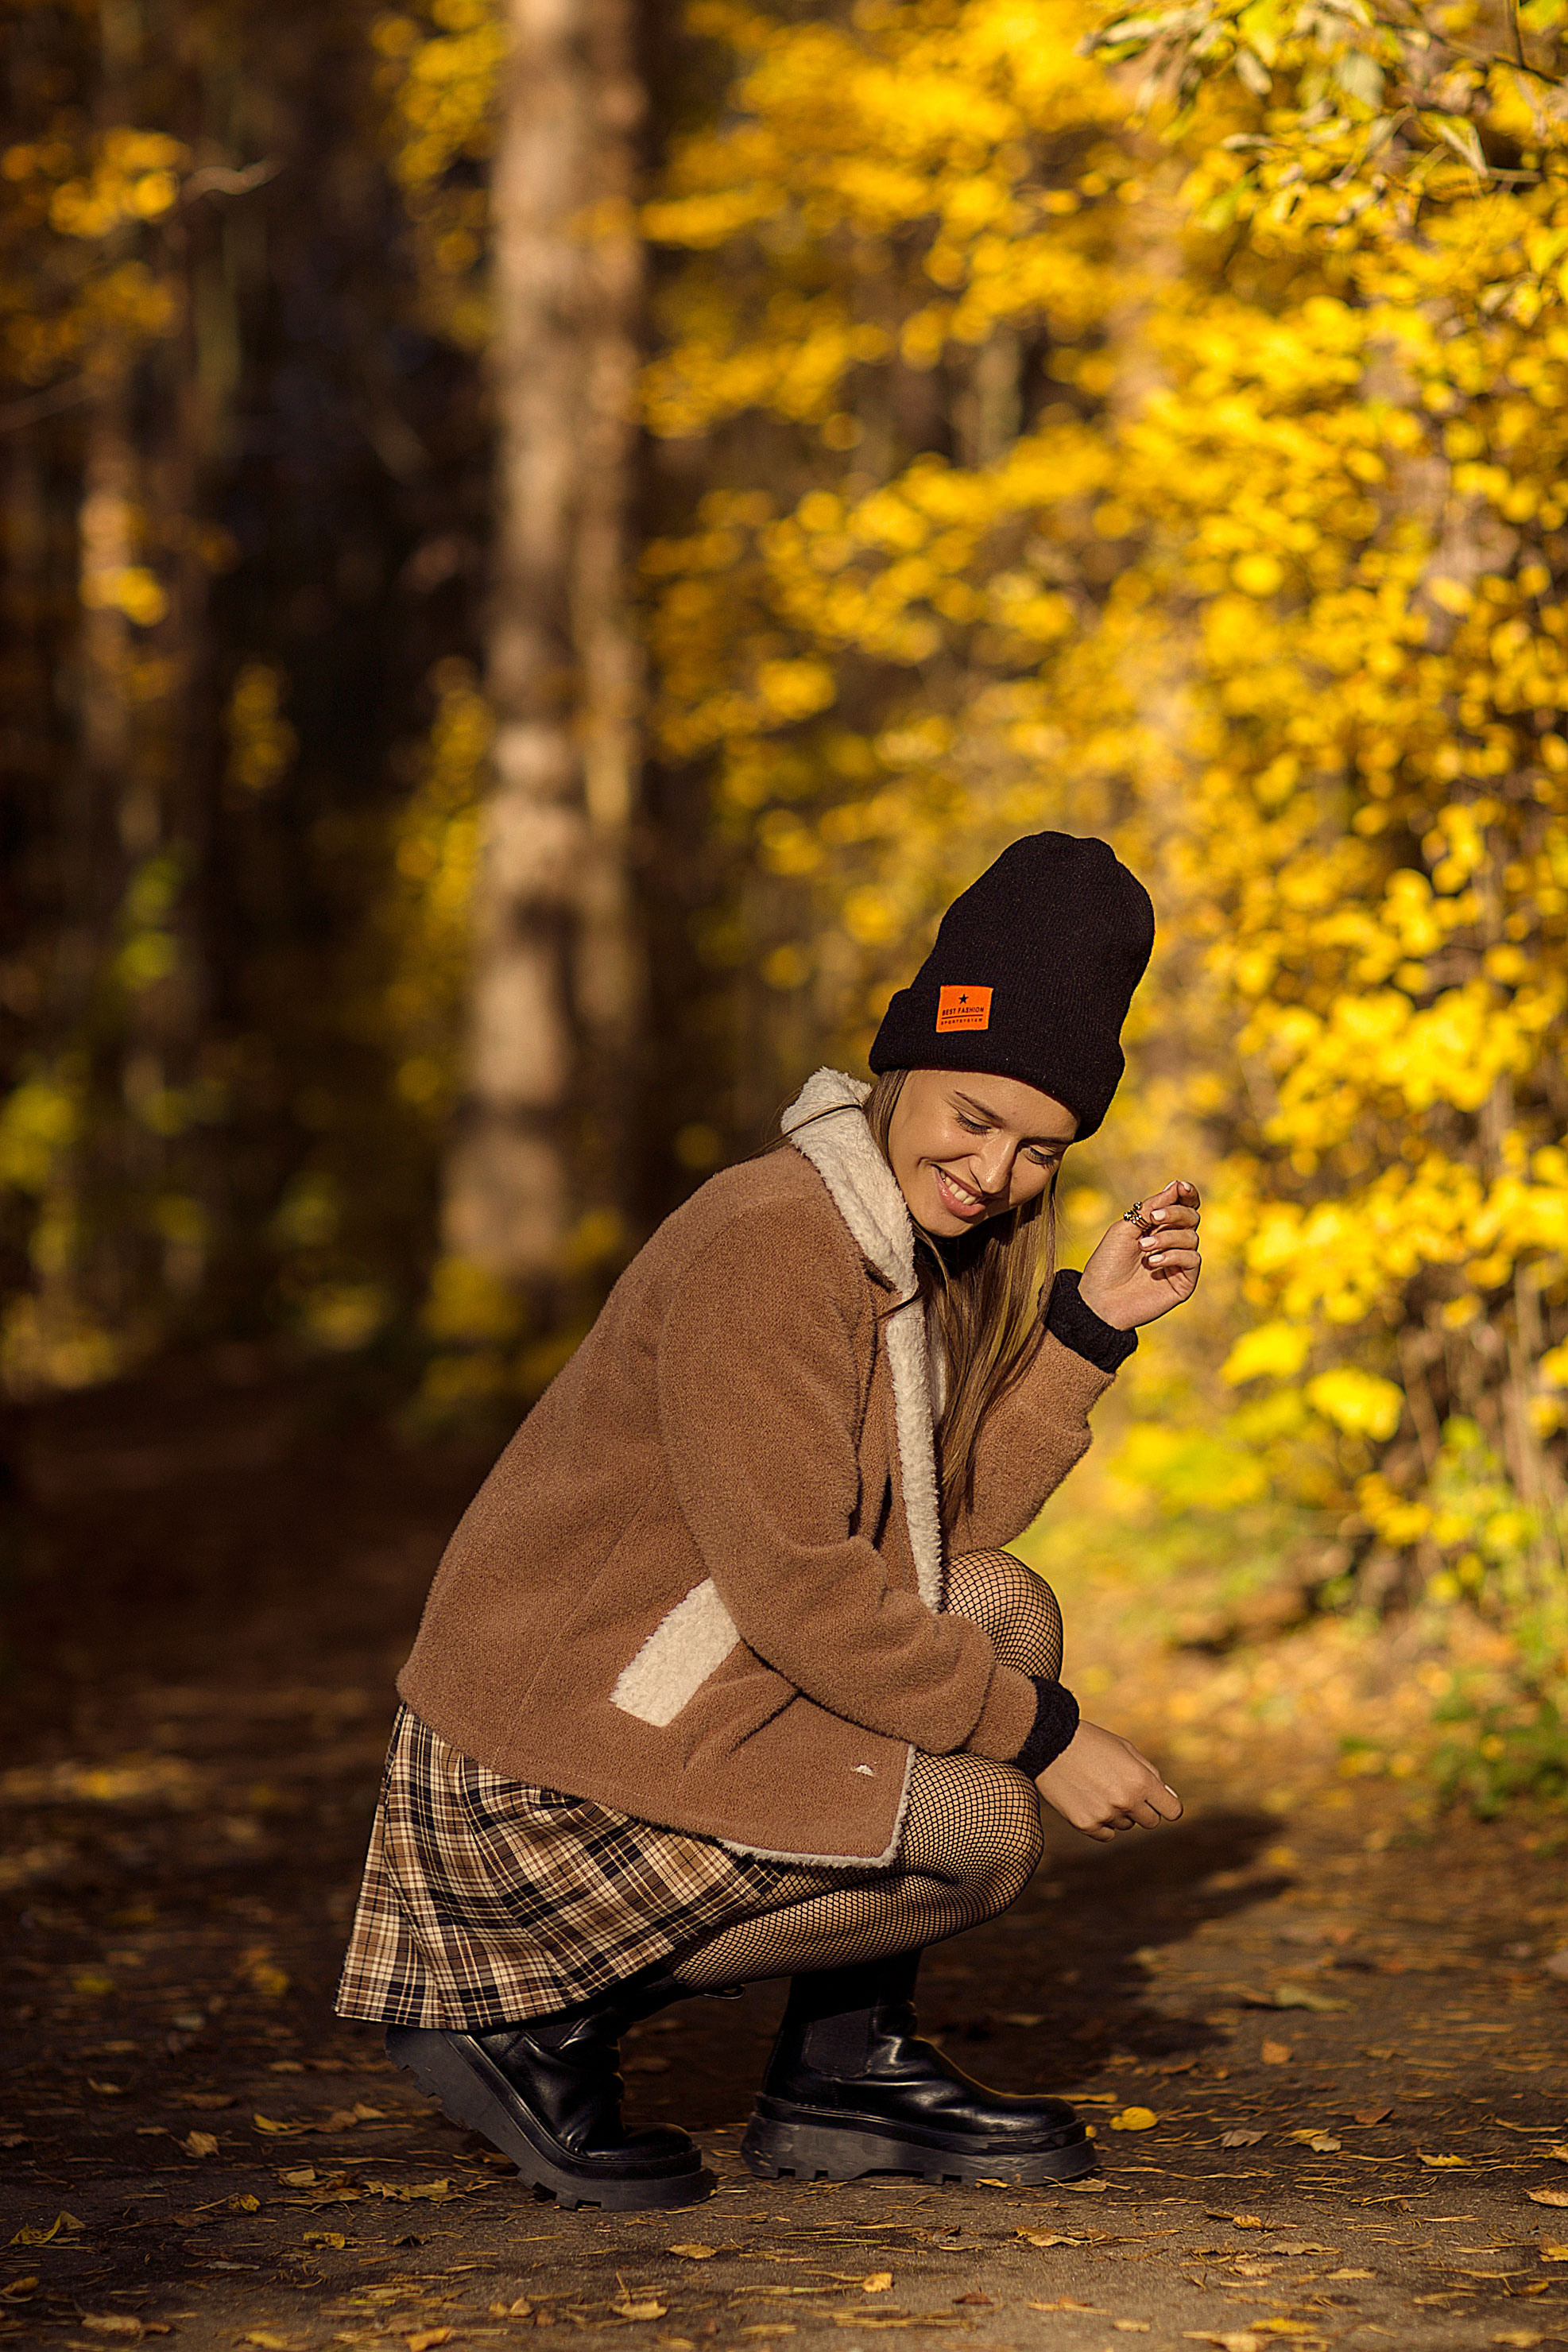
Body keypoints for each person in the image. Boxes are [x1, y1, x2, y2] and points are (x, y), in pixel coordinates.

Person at [337, 831, 1201, 2212]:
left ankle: (841, 2076)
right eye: (971, 1119)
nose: (992, 1174)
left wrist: (1086, 1332)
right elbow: (811, 1591)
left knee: (998, 1604)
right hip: (557, 1733)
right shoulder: (774, 1238)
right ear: (904, 1071)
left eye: (1037, 1151)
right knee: (987, 1821)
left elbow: (918, 1541)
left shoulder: (883, 1244)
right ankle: (530, 2025)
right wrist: (1049, 1737)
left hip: (679, 1667)